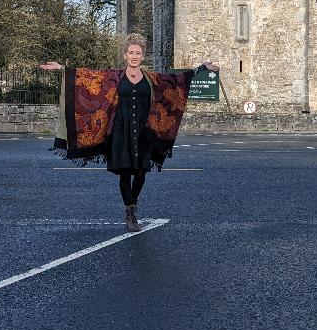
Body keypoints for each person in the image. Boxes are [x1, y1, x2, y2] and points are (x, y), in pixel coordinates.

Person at [42, 33, 219, 232]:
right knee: (125, 172)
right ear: (125, 55)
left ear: (143, 56)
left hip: (145, 132)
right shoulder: (114, 77)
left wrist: (203, 67)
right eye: (131, 52)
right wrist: (62, 69)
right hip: (121, 132)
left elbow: (177, 80)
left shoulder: (151, 79)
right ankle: (130, 211)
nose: (134, 56)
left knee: (142, 172)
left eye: (138, 53)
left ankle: (132, 202)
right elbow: (88, 76)